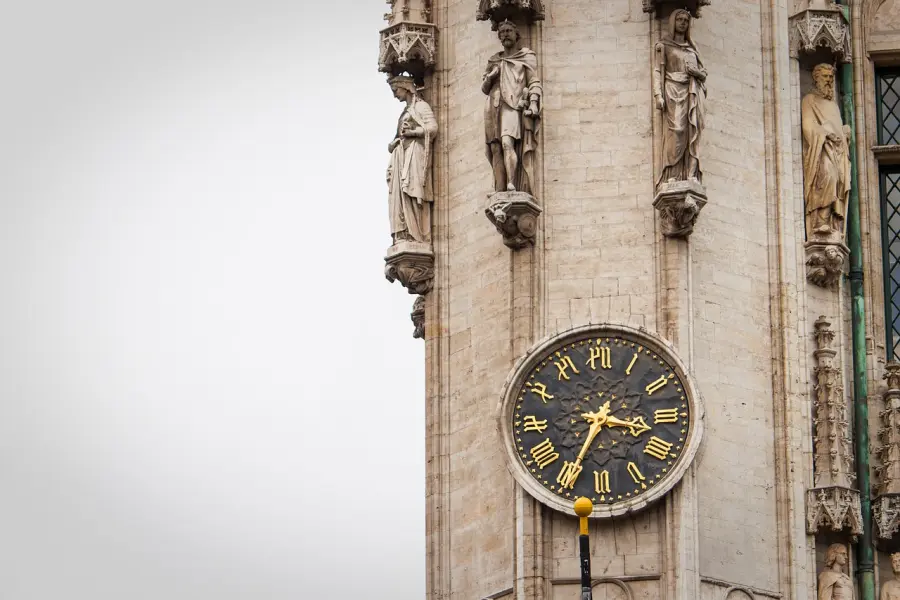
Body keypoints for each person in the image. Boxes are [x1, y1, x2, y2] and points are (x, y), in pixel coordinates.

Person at [482, 20, 542, 194]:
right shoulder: (494, 60)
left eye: (509, 31)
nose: (505, 34)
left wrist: (533, 102)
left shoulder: (526, 57)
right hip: (493, 107)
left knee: (508, 142)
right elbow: (485, 88)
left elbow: (534, 82)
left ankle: (511, 184)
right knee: (495, 148)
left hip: (512, 105)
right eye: (502, 32)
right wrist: (490, 76)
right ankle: (499, 188)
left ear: (516, 35)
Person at [654, 8, 707, 187]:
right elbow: (657, 71)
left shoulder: (692, 48)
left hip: (692, 92)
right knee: (676, 131)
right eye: (680, 20)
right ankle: (672, 173)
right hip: (672, 90)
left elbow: (704, 72)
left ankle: (690, 174)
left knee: (692, 131)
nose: (683, 23)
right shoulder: (664, 46)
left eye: (686, 20)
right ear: (673, 22)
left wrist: (697, 73)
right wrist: (658, 95)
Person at [387, 75, 438, 244]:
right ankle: (406, 231)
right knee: (402, 194)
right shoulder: (405, 112)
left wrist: (413, 133)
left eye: (396, 91)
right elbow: (399, 135)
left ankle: (417, 232)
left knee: (413, 190)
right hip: (402, 155)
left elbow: (433, 128)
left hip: (415, 153)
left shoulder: (421, 106)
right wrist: (395, 142)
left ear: (405, 87)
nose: (395, 95)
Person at [802, 63, 851, 239]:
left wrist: (844, 133)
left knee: (837, 180)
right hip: (822, 149)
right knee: (827, 176)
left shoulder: (834, 106)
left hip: (838, 152)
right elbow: (808, 128)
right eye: (825, 77)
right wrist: (825, 132)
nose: (829, 80)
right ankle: (820, 221)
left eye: (831, 77)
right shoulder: (809, 100)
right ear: (816, 78)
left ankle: (833, 223)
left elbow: (837, 126)